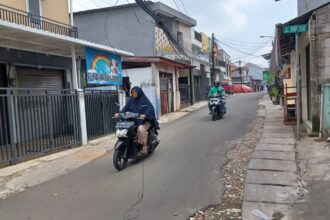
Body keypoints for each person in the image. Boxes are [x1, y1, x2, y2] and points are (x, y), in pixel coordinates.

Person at [115, 86, 157, 156]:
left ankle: (144, 147)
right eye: (132, 92)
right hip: (135, 120)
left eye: (135, 92)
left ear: (139, 92)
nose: (133, 93)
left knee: (140, 129)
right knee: (128, 129)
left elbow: (150, 109)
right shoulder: (130, 100)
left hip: (145, 120)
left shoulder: (144, 99)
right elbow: (125, 108)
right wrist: (119, 114)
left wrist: (145, 115)